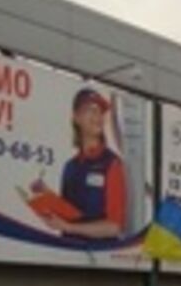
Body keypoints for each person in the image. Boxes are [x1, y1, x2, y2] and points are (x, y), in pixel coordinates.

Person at [43, 87, 128, 240]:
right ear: (76, 117)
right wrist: (47, 198)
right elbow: (69, 215)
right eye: (91, 110)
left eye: (100, 111)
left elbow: (114, 227)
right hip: (68, 254)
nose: (98, 116)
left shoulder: (112, 163)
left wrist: (69, 228)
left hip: (98, 258)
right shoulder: (69, 167)